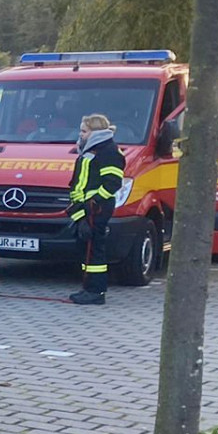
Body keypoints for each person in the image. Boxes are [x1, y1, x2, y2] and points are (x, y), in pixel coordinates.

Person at [67, 113, 125, 305]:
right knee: (86, 248)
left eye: (84, 131)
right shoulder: (90, 150)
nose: (80, 134)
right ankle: (88, 287)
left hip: (97, 209)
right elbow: (79, 182)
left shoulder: (109, 151)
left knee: (95, 249)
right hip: (85, 208)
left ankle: (96, 291)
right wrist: (79, 209)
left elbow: (113, 183)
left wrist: (94, 201)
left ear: (95, 132)